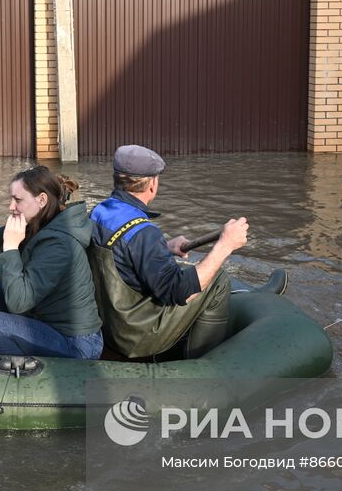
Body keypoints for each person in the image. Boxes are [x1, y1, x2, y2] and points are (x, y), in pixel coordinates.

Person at [89, 145, 248, 359]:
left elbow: (120, 254)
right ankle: (201, 363)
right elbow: (180, 291)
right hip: (135, 334)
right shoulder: (144, 233)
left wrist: (165, 247)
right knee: (218, 280)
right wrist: (225, 246)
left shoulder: (99, 211)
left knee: (184, 269)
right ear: (153, 184)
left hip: (108, 323)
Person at [0, 165, 103, 359]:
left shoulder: (60, 243)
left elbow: (18, 303)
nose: (11, 207)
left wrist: (11, 247)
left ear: (41, 200)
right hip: (47, 320)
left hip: (77, 344)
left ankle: (27, 374)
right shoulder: (35, 224)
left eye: (18, 200)